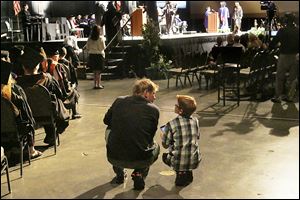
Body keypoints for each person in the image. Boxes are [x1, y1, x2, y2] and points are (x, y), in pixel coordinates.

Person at [103, 78, 160, 190]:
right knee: (155, 145)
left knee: (110, 130)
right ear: (145, 93)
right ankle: (139, 173)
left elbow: (106, 121)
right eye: (153, 93)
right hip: (141, 158)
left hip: (114, 156)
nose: (155, 97)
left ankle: (119, 173)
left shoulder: (119, 101)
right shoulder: (154, 110)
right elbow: (150, 135)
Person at [16, 47, 70, 145]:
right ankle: (51, 134)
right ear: (38, 66)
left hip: (26, 116)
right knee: (52, 102)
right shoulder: (47, 78)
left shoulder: (17, 83)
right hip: (46, 114)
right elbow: (60, 94)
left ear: (23, 67)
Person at [1, 59, 42, 159]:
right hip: (15, 130)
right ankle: (31, 151)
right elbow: (27, 115)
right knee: (28, 120)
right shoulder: (15, 90)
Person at [161, 95, 201, 186]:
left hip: (178, 162)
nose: (174, 105)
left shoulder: (171, 124)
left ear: (180, 110)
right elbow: (197, 136)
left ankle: (181, 173)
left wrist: (163, 136)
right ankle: (188, 171)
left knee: (164, 156)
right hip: (194, 160)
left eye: (176, 105)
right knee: (187, 148)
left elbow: (165, 145)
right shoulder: (195, 121)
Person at [270, 12, 299, 103]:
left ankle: (278, 96)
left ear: (286, 20)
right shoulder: (298, 31)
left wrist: (269, 47)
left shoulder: (282, 31)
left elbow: (274, 42)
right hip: (295, 56)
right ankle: (290, 96)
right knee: (292, 78)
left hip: (283, 56)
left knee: (280, 77)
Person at [83, 25, 106, 89]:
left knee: (94, 71)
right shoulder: (101, 38)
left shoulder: (90, 38)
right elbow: (103, 48)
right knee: (99, 72)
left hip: (92, 56)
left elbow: (87, 47)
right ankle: (98, 84)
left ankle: (95, 84)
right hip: (99, 56)